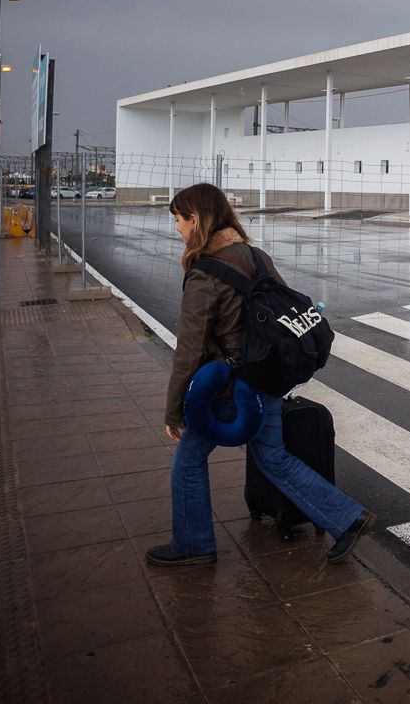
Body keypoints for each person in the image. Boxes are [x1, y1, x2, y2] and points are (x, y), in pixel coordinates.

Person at [146, 182, 374, 568]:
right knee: (272, 457)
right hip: (264, 377)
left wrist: (174, 410)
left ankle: (194, 543)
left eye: (179, 220)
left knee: (188, 460)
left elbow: (189, 348)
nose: (177, 229)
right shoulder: (257, 256)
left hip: (226, 390)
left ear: (196, 219)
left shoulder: (204, 274)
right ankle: (348, 518)